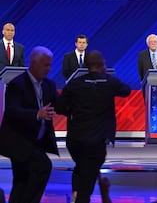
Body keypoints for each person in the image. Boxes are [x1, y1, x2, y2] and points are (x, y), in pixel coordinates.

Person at [55, 50, 131, 203]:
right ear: (102, 64)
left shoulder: (74, 84)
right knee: (88, 176)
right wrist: (106, 76)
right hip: (96, 140)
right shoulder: (109, 82)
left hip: (76, 139)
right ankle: (80, 198)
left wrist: (73, 111)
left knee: (82, 167)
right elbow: (126, 90)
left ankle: (77, 195)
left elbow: (60, 107)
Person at [0, 46, 59, 203]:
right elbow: (13, 111)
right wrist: (36, 114)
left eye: (50, 65)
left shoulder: (49, 85)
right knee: (42, 167)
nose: (49, 69)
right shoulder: (17, 84)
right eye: (45, 65)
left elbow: (61, 105)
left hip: (36, 143)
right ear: (34, 63)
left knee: (21, 182)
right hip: (18, 142)